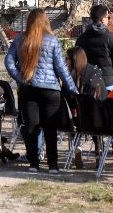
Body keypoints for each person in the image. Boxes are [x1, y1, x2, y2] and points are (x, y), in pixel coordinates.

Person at [6, 9, 78, 173]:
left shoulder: (20, 39)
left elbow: (9, 62)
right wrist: (72, 89)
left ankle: (33, 164)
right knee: (50, 127)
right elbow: (61, 68)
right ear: (46, 21)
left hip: (28, 89)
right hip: (50, 90)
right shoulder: (52, 41)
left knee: (31, 126)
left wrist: (21, 78)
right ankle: (53, 165)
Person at [66, 46, 106, 169]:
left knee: (74, 119)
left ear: (74, 59)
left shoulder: (68, 77)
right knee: (95, 121)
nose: (65, 61)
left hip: (75, 119)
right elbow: (101, 98)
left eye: (67, 58)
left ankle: (78, 148)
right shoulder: (95, 72)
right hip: (95, 119)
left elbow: (66, 98)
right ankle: (99, 154)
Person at [76, 4, 113, 90]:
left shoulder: (81, 39)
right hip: (108, 84)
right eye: (107, 17)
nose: (108, 20)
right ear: (103, 19)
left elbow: (77, 62)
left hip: (88, 84)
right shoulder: (111, 38)